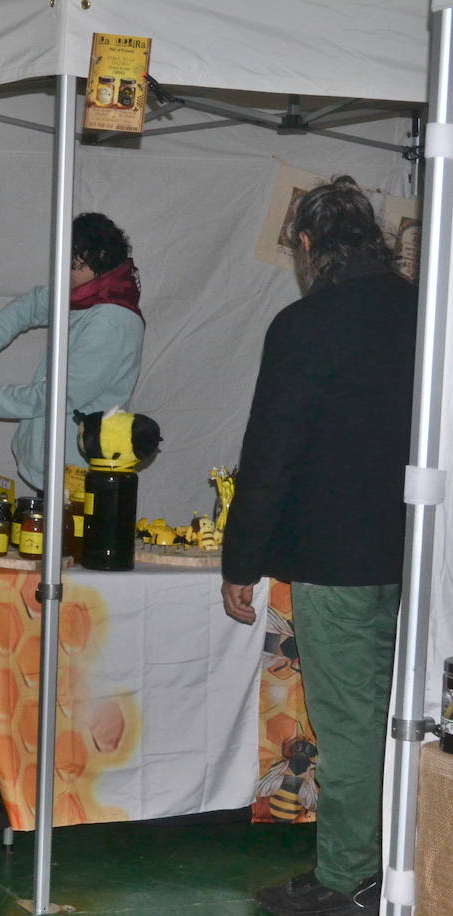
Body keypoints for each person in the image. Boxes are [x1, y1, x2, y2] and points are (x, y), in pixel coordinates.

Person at [222, 176, 412, 916]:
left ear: (307, 244)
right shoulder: (424, 314)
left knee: (350, 724)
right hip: (422, 556)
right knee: (409, 719)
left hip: (335, 561)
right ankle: (406, 861)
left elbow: (272, 454)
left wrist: (243, 560)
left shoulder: (304, 326)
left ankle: (348, 877)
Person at [0, 213, 144, 491]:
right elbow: (27, 308)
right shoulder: (84, 295)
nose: (65, 274)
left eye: (74, 266)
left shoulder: (112, 322)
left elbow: (60, 395)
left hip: (77, 473)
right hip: (53, 464)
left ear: (100, 260)